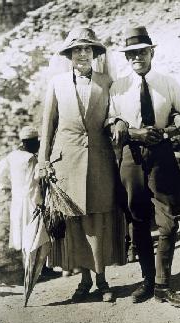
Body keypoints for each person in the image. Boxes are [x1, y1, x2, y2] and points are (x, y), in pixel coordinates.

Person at [38, 27, 125, 303]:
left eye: (87, 49)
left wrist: (118, 123)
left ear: (94, 53)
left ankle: (101, 279)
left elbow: (114, 115)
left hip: (100, 160)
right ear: (70, 55)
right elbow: (47, 125)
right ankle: (84, 281)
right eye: (77, 50)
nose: (83, 54)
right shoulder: (57, 84)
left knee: (98, 220)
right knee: (74, 223)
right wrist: (42, 160)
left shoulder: (106, 82)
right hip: (66, 163)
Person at [108, 26, 180, 307]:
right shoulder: (118, 87)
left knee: (168, 221)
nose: (137, 58)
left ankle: (163, 285)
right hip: (131, 158)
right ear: (127, 57)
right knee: (138, 220)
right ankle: (147, 281)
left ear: (151, 52)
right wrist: (131, 132)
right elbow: (111, 123)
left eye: (142, 52)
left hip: (162, 156)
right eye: (131, 54)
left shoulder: (167, 82)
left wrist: (167, 131)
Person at [0, 126, 41, 253]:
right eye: (36, 142)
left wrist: (10, 186)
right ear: (29, 142)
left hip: (18, 200)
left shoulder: (12, 156)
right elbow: (38, 178)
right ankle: (37, 270)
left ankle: (29, 269)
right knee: (34, 234)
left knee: (22, 235)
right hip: (32, 200)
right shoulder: (31, 158)